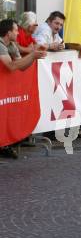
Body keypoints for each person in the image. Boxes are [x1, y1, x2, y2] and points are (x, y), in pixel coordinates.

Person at [0, 19, 46, 159]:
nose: (17, 32)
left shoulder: (12, 45)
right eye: (15, 30)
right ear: (8, 33)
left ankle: (5, 144)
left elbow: (21, 66)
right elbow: (12, 66)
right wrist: (32, 55)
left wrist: (34, 57)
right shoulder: (0, 44)